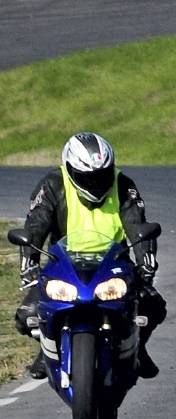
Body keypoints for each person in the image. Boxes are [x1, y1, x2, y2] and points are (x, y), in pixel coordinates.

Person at [13, 132, 165, 380]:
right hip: (63, 265)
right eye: (87, 177)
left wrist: (146, 260)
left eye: (102, 175)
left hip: (114, 264)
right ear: (71, 170)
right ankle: (47, 350)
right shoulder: (52, 184)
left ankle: (138, 348)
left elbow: (137, 224)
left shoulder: (123, 184)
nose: (96, 182)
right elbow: (35, 224)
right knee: (26, 315)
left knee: (154, 307)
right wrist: (28, 262)